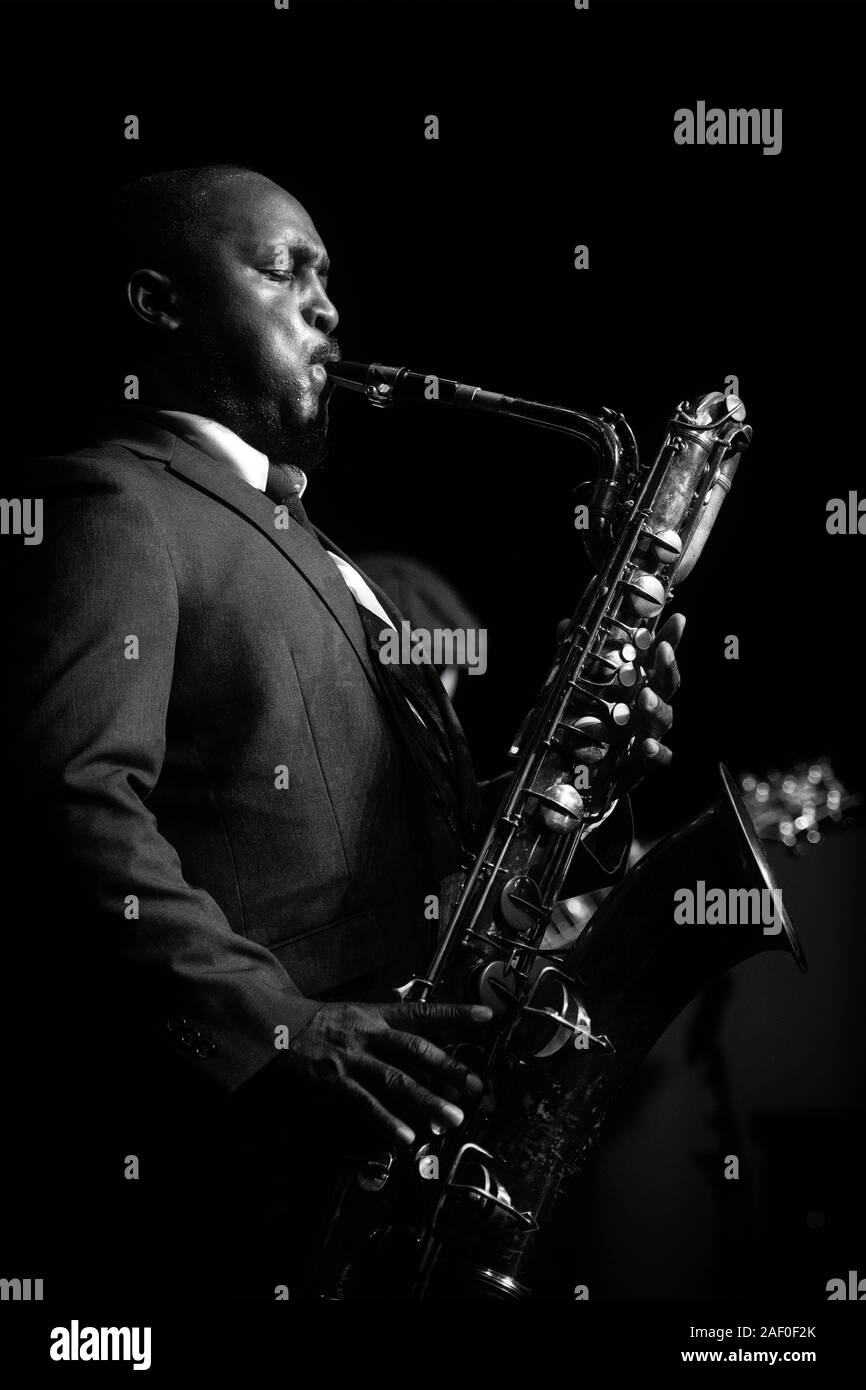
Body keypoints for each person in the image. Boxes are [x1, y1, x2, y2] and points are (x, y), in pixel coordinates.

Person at [1, 164, 683, 1301]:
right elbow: (62, 804)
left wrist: (591, 780)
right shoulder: (113, 503)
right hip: (242, 1200)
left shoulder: (327, 559)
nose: (327, 306)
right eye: (284, 269)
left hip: (393, 1168)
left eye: (329, 276)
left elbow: (461, 871)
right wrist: (271, 1031)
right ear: (158, 304)